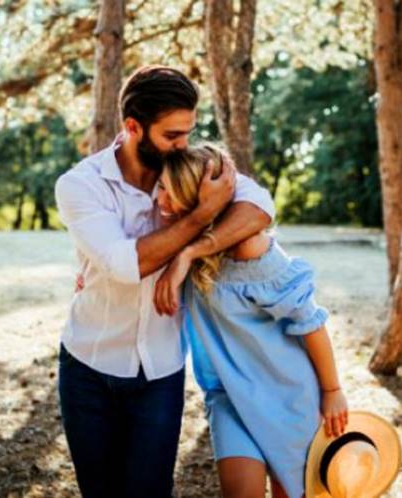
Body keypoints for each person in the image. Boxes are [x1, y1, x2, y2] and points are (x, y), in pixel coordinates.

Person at [54, 65, 275, 498]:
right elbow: (125, 264)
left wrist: (189, 252)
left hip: (161, 372)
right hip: (88, 368)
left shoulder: (190, 167)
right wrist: (201, 215)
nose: (183, 145)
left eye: (188, 133)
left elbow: (261, 207)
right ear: (133, 127)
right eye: (172, 135)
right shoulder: (81, 185)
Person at [153, 143, 349, 498]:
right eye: (160, 187)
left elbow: (310, 322)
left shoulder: (248, 247)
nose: (160, 199)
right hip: (228, 397)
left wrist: (332, 391)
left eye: (171, 191)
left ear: (198, 200)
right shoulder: (176, 239)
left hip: (287, 395)